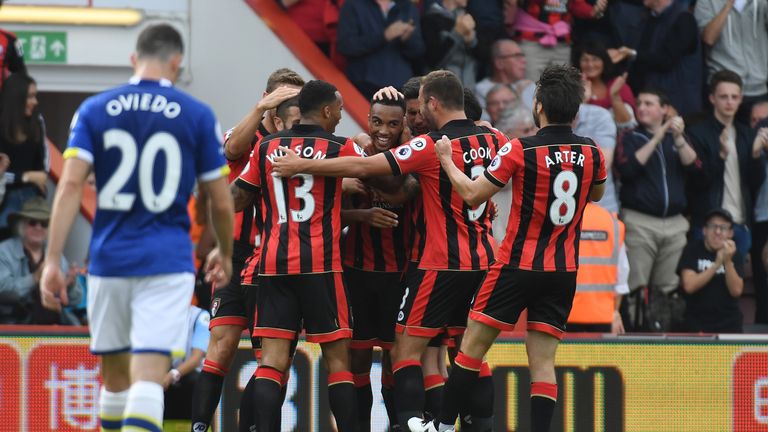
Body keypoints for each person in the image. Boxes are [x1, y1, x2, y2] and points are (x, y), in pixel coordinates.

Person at [271, 70, 506, 430]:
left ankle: (415, 424)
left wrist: (302, 164)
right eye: (378, 121)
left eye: (408, 115)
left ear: (430, 105)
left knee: (410, 354)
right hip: (477, 261)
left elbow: (383, 178)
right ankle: (461, 425)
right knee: (465, 352)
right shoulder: (494, 138)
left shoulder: (425, 147)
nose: (391, 127)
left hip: (429, 265)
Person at [40, 24, 234, 432]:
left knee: (113, 379)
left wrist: (52, 259)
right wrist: (224, 251)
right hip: (167, 260)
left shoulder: (94, 109)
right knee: (148, 376)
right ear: (177, 62)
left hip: (109, 260)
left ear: (134, 59)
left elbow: (72, 184)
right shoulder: (197, 115)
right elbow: (219, 199)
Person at [408, 64, 606, 432]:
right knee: (543, 363)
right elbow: (595, 193)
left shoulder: (521, 149)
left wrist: (448, 161)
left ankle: (439, 425)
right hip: (562, 271)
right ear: (575, 111)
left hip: (516, 265)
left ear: (540, 107)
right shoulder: (592, 152)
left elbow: (471, 194)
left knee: (471, 346)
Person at [233, 80, 361, 431]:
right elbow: (374, 178)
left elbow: (235, 198)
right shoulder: (340, 146)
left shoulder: (267, 147)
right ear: (325, 111)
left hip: (273, 264)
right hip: (322, 266)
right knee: (338, 362)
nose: (340, 114)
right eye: (338, 108)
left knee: (271, 363)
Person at [190, 68, 303, 432]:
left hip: (277, 261)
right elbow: (230, 149)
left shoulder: (304, 142)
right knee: (220, 346)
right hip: (236, 257)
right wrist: (260, 107)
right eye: (285, 101)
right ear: (269, 103)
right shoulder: (247, 133)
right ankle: (198, 426)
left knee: (272, 359)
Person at [342, 94, 410, 431]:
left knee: (396, 359)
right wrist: (359, 213)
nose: (384, 130)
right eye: (377, 122)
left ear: (403, 126)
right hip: (356, 273)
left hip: (400, 275)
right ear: (367, 119)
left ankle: (397, 426)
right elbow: (323, 216)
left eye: (393, 124)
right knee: (357, 358)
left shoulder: (411, 158)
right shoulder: (350, 152)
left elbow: (402, 191)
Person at [614, 88, 698, 332]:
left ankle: (663, 338)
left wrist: (679, 139)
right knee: (636, 285)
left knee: (667, 287)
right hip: (640, 221)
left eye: (649, 104)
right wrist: (657, 138)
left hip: (674, 222)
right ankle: (634, 336)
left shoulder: (678, 138)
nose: (641, 107)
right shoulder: (630, 136)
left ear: (664, 110)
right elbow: (626, 168)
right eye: (639, 103)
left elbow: (696, 168)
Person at [686, 70, 767, 257]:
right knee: (708, 284)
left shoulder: (748, 134)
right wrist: (719, 156)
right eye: (723, 97)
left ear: (740, 100)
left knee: (735, 285)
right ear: (712, 98)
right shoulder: (698, 133)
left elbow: (754, 184)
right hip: (708, 225)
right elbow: (697, 181)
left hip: (739, 223)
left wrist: (756, 155)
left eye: (734, 97)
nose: (729, 102)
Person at [613, 0, 703, 117]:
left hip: (677, 104)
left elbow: (666, 59)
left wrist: (633, 54)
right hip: (650, 98)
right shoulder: (648, 18)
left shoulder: (684, 19)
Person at [0, 196, 81, 324]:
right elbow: (2, 290)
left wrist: (69, 285)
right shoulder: (4, 251)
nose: (38, 227)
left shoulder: (56, 254)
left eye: (44, 224)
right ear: (21, 224)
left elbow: (76, 301)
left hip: (56, 326)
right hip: (15, 329)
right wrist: (34, 278)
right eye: (32, 222)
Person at [695, 0, 768, 124]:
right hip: (724, 89)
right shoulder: (706, 2)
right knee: (722, 138)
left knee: (760, 139)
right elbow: (708, 37)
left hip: (758, 87)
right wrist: (728, 5)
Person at [336, 0, 425, 99]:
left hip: (400, 89)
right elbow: (346, 46)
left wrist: (407, 40)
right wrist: (384, 36)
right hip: (363, 86)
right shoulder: (353, 5)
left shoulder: (408, 7)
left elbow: (418, 51)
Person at [677, 208, 744, 333]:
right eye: (713, 226)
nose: (717, 232)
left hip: (729, 324)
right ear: (704, 230)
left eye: (723, 228)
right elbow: (689, 286)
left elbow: (736, 291)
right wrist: (716, 264)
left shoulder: (736, 254)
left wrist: (727, 261)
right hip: (697, 324)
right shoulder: (692, 250)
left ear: (730, 233)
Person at [567, 202, 628, 333]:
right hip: (604, 317)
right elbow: (622, 275)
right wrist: (615, 312)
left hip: (564, 315)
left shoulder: (561, 220)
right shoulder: (613, 223)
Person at [0, 73, 48, 240]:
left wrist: (34, 178)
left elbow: (42, 168)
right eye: (30, 96)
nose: (35, 102)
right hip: (3, 198)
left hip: (32, 198)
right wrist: (25, 176)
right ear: (16, 98)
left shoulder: (38, 121)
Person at [163, 305, 210, 425]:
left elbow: (196, 358)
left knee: (197, 380)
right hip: (165, 369)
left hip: (191, 373)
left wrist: (172, 375)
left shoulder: (200, 316)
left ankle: (198, 425)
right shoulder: (160, 314)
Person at [573, 102, 620, 212]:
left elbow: (603, 163)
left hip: (602, 208)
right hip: (564, 212)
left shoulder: (599, 116)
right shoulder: (544, 117)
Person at [577, 41, 636, 128]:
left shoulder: (618, 85)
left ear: (604, 61)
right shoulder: (571, 86)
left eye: (595, 59)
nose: (590, 64)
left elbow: (627, 125)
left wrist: (615, 96)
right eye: (585, 60)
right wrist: (583, 100)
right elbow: (566, 123)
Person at [421, 0, 479, 87]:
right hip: (444, 92)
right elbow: (433, 61)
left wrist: (471, 42)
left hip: (469, 91)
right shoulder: (430, 19)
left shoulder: (468, 17)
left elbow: (483, 57)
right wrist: (456, 33)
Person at [475, 39, 535, 116]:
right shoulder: (481, 90)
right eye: (516, 56)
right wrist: (517, 96)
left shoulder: (529, 86)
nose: (523, 61)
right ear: (499, 63)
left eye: (522, 56)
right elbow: (485, 123)